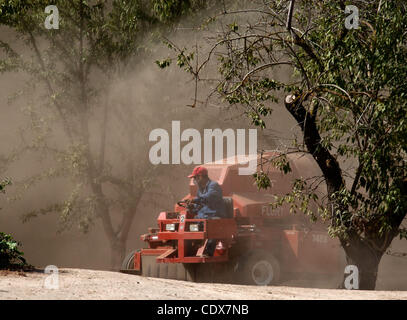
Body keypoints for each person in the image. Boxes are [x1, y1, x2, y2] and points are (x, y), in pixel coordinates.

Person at [187, 166, 225, 257]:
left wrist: (195, 200)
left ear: (200, 177)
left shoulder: (213, 185)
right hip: (203, 217)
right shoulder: (200, 190)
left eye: (195, 178)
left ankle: (208, 252)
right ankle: (191, 249)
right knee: (189, 225)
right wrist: (192, 207)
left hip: (214, 216)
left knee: (212, 224)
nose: (194, 181)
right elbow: (200, 205)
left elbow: (209, 197)